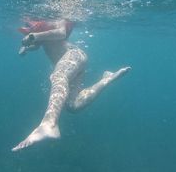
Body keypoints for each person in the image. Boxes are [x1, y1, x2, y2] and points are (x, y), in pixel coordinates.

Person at [12, 19, 131, 151]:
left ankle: (49, 124)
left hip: (75, 55)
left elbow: (61, 33)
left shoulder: (56, 20)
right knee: (73, 106)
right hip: (72, 65)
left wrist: (34, 36)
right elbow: (37, 45)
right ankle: (107, 79)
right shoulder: (41, 34)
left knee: (58, 76)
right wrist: (26, 47)